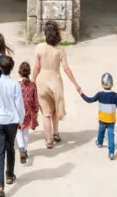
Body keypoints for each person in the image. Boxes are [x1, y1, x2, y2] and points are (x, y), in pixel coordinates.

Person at [33, 20, 81, 148]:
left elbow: (36, 68)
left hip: (41, 82)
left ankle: (49, 140)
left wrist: (32, 81)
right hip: (56, 83)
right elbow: (66, 69)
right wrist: (76, 84)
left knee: (46, 114)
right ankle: (55, 133)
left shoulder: (39, 48)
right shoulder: (60, 49)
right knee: (55, 111)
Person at [0, 55, 25, 197]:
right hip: (12, 120)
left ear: (0, 68)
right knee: (10, 148)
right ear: (12, 68)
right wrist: (21, 119)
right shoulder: (15, 84)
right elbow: (19, 105)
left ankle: (0, 185)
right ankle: (9, 174)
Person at [80, 72, 117, 160]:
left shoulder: (99, 94)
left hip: (102, 119)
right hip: (111, 120)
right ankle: (111, 153)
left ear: (101, 84)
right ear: (112, 84)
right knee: (111, 135)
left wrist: (81, 94)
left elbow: (89, 100)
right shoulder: (115, 95)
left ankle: (99, 143)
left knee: (101, 131)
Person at [15, 61, 39, 165]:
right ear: (29, 72)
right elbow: (35, 100)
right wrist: (36, 112)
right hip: (29, 110)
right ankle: (24, 149)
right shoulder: (33, 84)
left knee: (19, 130)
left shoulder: (16, 84)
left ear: (19, 72)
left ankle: (21, 148)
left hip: (18, 110)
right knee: (26, 131)